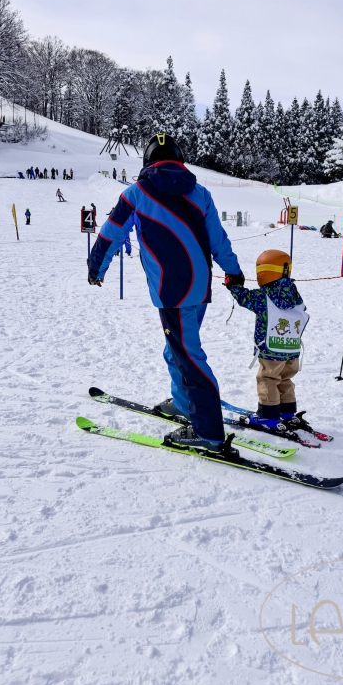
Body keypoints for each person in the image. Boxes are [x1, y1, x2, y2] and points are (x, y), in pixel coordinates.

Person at [88, 133, 244, 457]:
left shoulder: (136, 193)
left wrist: (96, 269)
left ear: (147, 161)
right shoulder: (200, 193)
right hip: (199, 288)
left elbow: (111, 233)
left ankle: (209, 433)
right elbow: (218, 239)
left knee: (189, 357)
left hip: (172, 291)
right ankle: (185, 404)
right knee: (176, 350)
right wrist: (233, 270)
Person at [225, 249, 309, 431]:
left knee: (268, 378)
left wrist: (233, 286)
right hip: (292, 349)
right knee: (285, 379)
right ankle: (287, 413)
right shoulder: (294, 294)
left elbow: (244, 298)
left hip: (271, 349)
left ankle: (268, 416)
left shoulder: (263, 296)